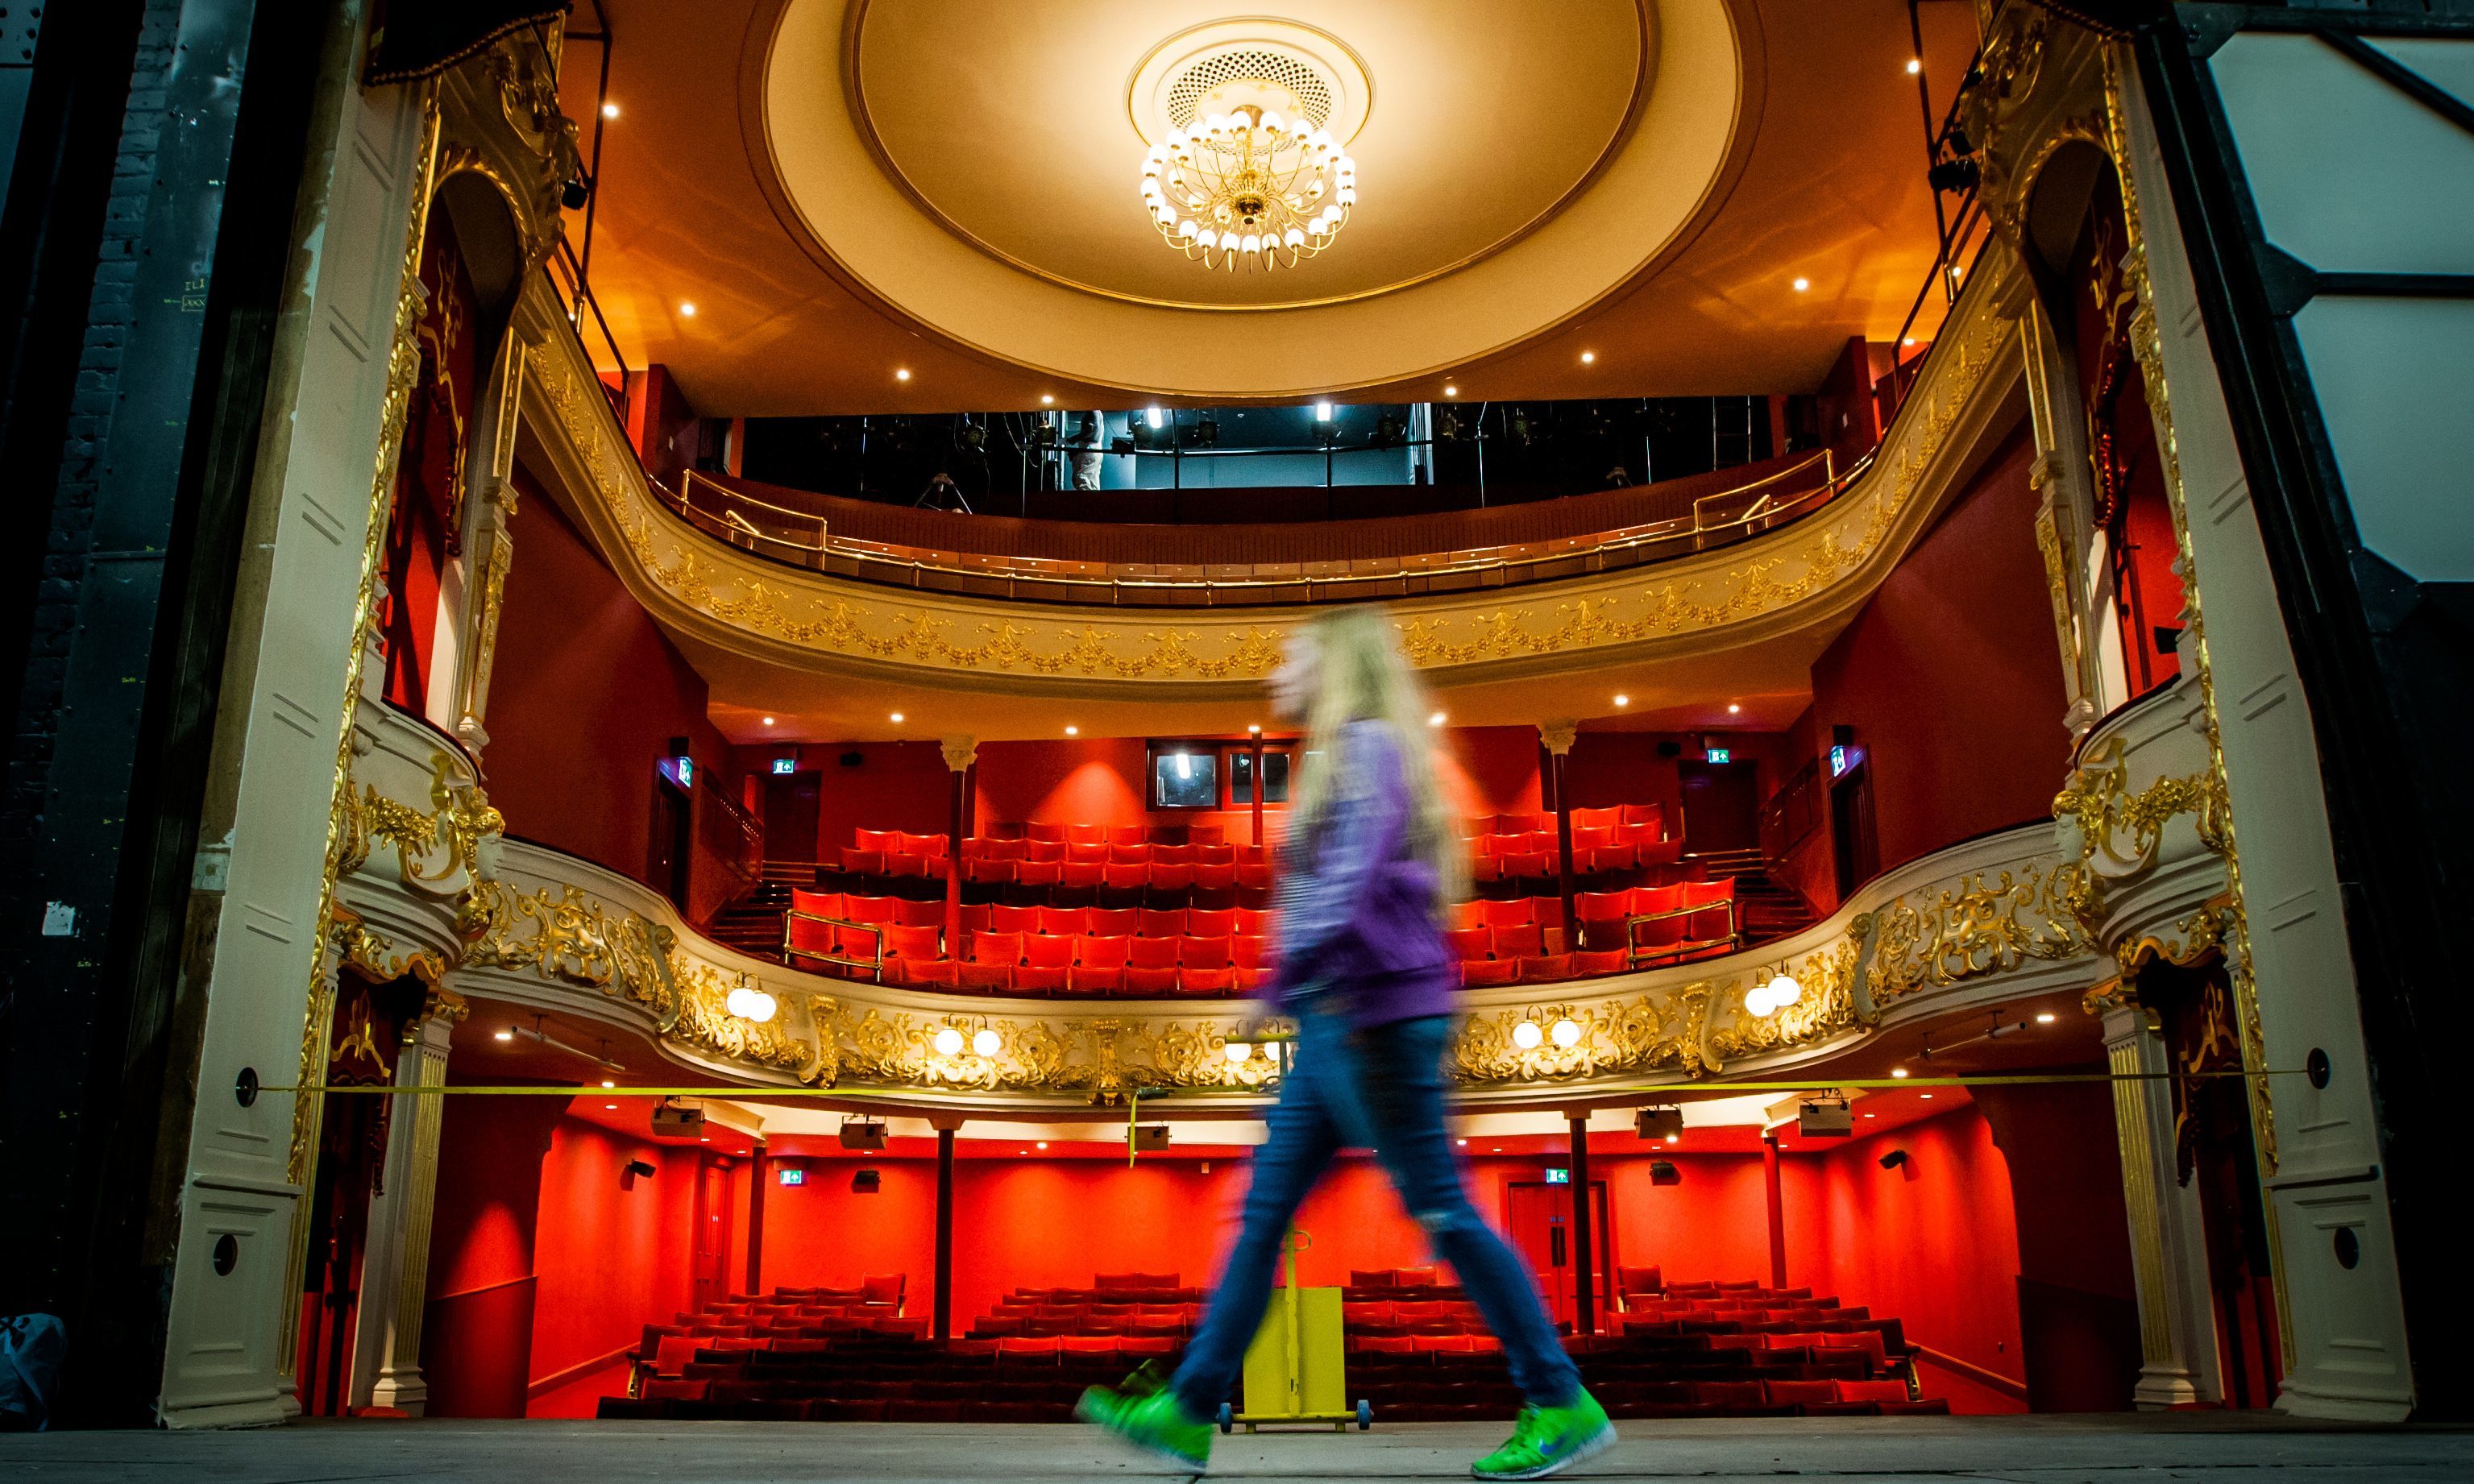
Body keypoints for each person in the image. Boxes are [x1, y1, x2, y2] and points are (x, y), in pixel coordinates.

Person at [1077, 606, 1613, 1480]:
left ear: (1335, 666)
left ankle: (1559, 1398)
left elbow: (1353, 875)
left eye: (1296, 655)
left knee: (1442, 1210)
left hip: (1378, 1021)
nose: (1279, 667)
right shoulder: (1338, 755)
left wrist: (1280, 978)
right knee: (1261, 1218)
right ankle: (1187, 1408)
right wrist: (1287, 991)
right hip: (1334, 1022)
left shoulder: (1363, 745)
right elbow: (1330, 884)